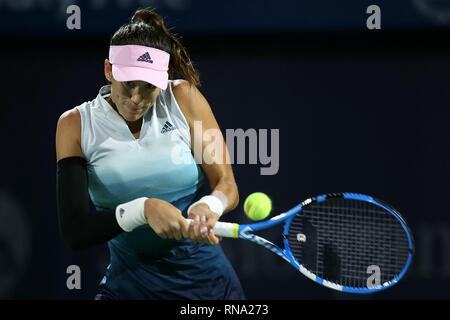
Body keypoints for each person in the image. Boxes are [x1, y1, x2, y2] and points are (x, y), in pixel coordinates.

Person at [55, 7, 245, 300]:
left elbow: (226, 184)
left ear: (163, 79)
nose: (136, 99)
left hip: (210, 289)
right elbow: (75, 230)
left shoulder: (183, 97)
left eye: (148, 88)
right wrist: (144, 209)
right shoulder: (75, 125)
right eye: (128, 84)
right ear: (109, 70)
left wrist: (209, 206)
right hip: (128, 288)